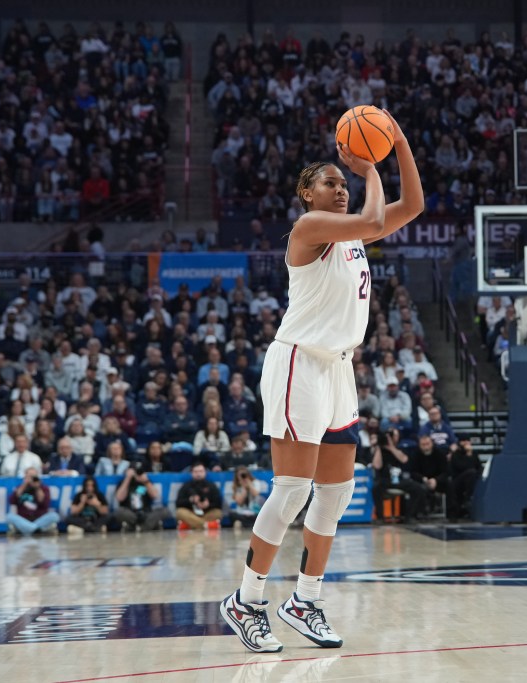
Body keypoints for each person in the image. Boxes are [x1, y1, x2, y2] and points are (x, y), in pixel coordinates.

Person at [220, 110, 423, 653]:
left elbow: (415, 206)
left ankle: (304, 600)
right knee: (291, 491)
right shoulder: (308, 229)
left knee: (335, 493)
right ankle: (246, 600)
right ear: (306, 193)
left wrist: (397, 144)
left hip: (337, 368)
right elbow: (377, 218)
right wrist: (370, 171)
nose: (340, 187)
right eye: (330, 181)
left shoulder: (355, 230)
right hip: (297, 364)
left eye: (342, 181)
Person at [113, 463, 172, 531]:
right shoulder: (123, 482)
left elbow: (155, 496)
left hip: (146, 514)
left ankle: (136, 528)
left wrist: (146, 482)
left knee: (164, 511)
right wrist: (128, 478)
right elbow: (119, 498)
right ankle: (146, 527)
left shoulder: (146, 482)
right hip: (130, 513)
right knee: (119, 512)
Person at [7, 467, 60, 536]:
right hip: (24, 519)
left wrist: (37, 487)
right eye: (29, 477)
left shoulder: (44, 488)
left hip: (39, 519)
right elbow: (12, 501)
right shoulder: (20, 488)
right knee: (9, 516)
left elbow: (44, 503)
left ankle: (29, 529)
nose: (31, 479)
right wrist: (24, 484)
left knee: (54, 516)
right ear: (25, 477)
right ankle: (35, 529)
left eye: (33, 477)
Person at [175, 462, 223, 530]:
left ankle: (190, 525)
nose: (198, 474)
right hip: (191, 513)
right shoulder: (186, 486)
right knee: (179, 512)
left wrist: (208, 505)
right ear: (192, 473)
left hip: (207, 513)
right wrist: (190, 500)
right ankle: (207, 525)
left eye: (201, 471)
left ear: (205, 472)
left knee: (218, 513)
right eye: (196, 472)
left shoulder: (211, 486)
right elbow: (178, 503)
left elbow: (218, 503)